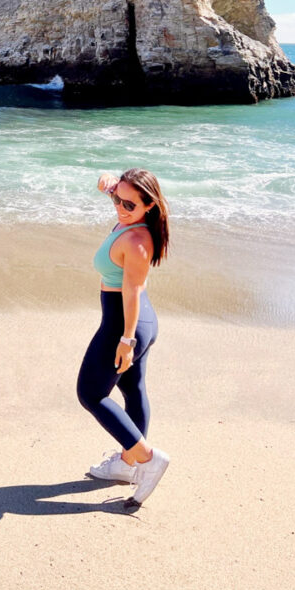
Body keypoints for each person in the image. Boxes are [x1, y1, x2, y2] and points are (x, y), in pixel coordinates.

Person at [77, 168, 171, 504]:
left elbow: (131, 290)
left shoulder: (135, 241)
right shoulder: (133, 219)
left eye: (129, 204)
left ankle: (146, 459)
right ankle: (127, 465)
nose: (120, 208)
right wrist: (111, 189)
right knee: (132, 389)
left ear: (149, 205)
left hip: (124, 323)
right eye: (118, 199)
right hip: (140, 319)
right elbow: (120, 196)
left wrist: (126, 340)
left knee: (90, 393)